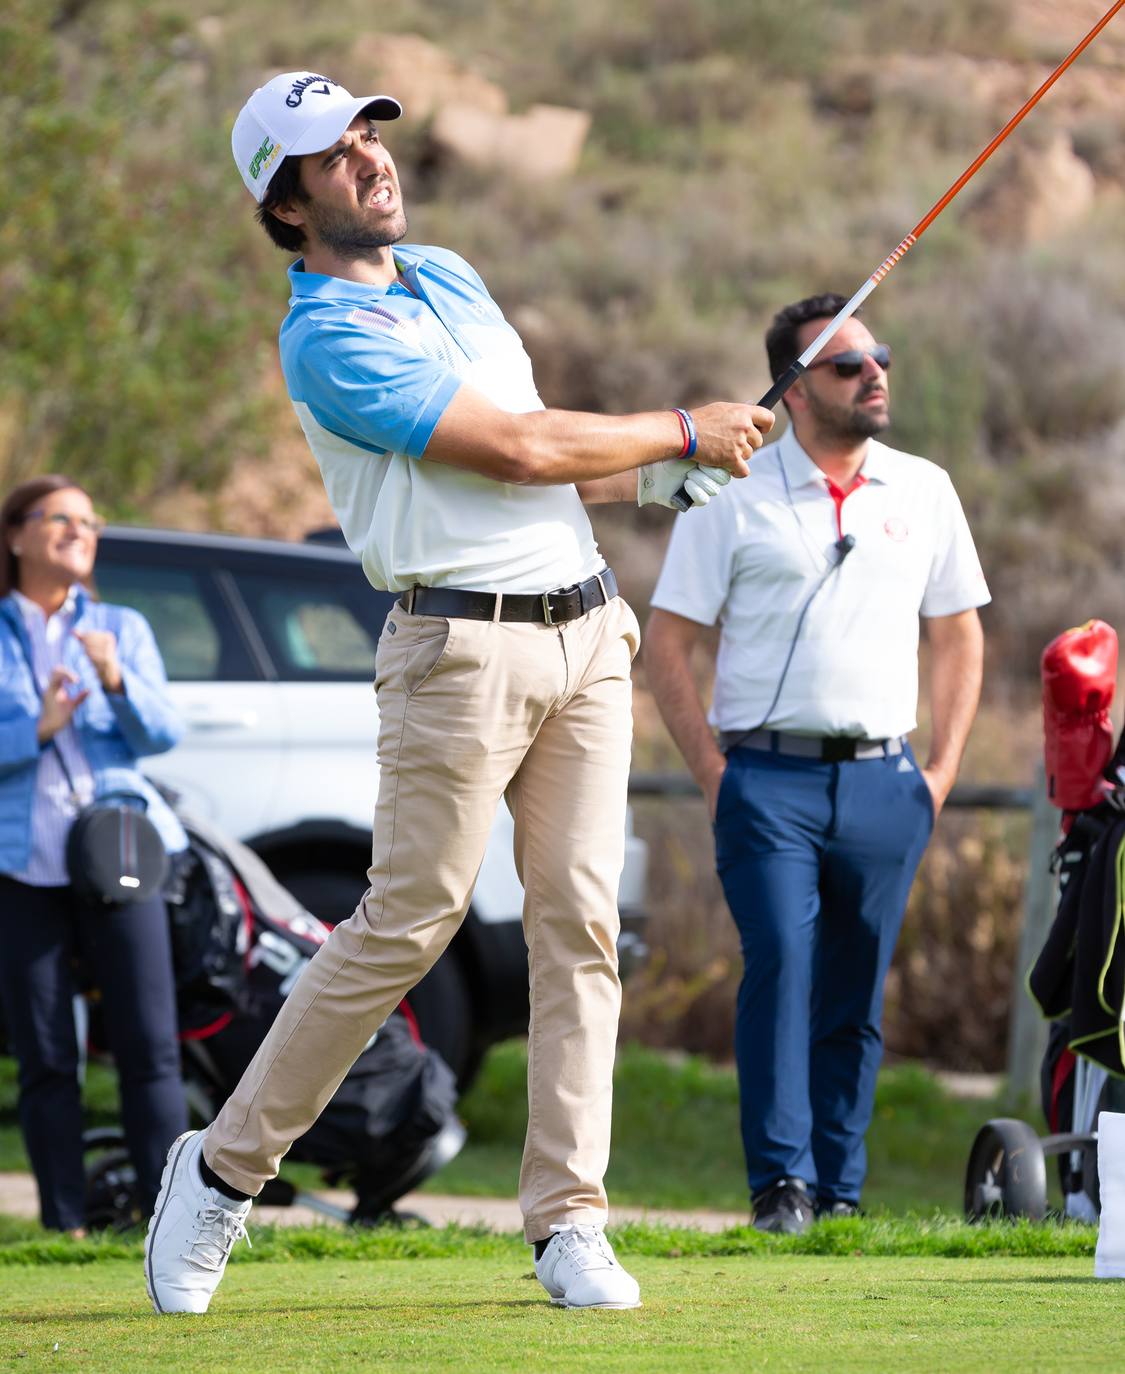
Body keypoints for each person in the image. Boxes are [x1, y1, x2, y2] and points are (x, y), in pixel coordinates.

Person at [143, 69, 773, 1314]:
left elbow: (537, 448)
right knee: (408, 924)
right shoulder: (326, 338)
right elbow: (517, 448)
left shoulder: (449, 275)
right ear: (285, 206)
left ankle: (569, 1222)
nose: (371, 158)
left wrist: (649, 487)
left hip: (589, 634)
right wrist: (679, 435)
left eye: (370, 134)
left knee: (579, 932)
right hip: (456, 651)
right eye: (334, 154)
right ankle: (220, 1174)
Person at [644, 294, 988, 1232]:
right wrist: (716, 774)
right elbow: (666, 642)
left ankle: (840, 1190)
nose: (873, 373)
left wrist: (941, 772)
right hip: (768, 783)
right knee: (781, 968)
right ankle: (781, 1188)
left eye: (879, 357)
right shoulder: (731, 491)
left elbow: (958, 634)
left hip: (888, 782)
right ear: (793, 391)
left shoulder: (924, 488)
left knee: (855, 992)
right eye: (845, 364)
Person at [0, 475, 189, 1234]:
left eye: (89, 521)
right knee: (47, 1057)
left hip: (123, 861)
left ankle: (171, 1217)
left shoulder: (123, 626)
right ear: (16, 537)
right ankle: (65, 1222)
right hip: (23, 869)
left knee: (150, 1047)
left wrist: (115, 679)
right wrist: (37, 728)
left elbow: (162, 734)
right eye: (60, 519)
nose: (79, 531)